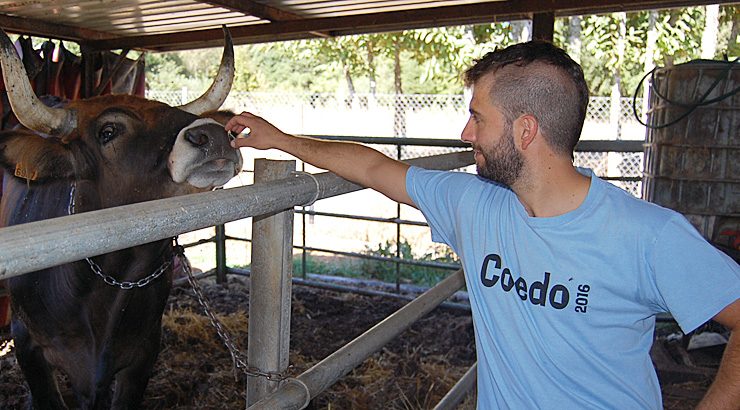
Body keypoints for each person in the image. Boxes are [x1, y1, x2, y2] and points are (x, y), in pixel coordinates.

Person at [226, 41, 740, 409]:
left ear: (525, 130)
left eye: (478, 117)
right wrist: (284, 140)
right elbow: (375, 168)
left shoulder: (648, 234)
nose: (465, 131)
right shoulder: (475, 205)